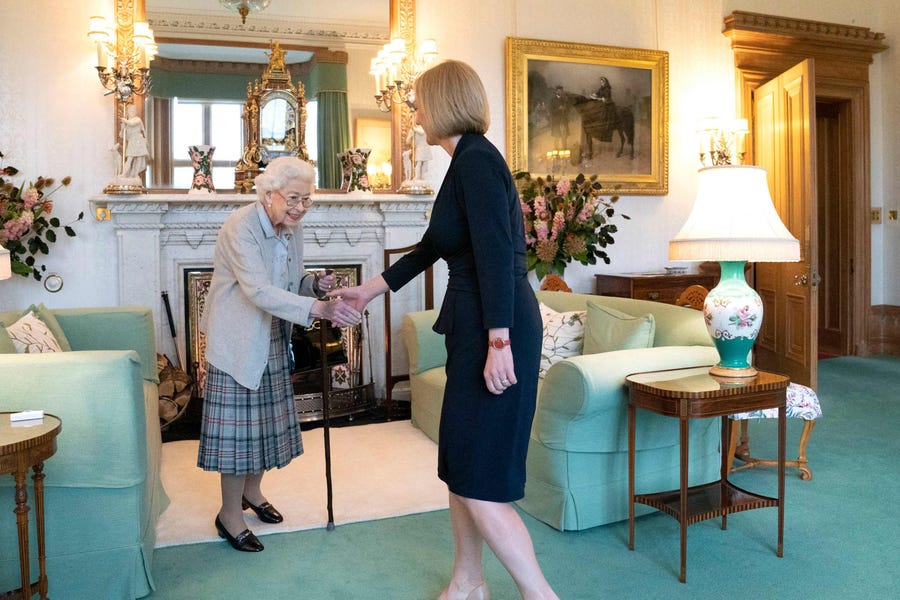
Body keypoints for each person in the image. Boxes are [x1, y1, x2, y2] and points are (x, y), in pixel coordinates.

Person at [330, 60, 558, 600]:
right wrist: (369, 290)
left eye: (419, 101)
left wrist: (498, 342)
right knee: (461, 465)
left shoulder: (477, 161)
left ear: (444, 102)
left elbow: (498, 256)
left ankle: (540, 595)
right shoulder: (463, 164)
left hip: (493, 327)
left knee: (480, 478)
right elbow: (435, 246)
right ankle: (468, 582)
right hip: (474, 326)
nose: (414, 111)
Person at [197, 156, 362, 553]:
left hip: (271, 334)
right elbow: (257, 290)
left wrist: (312, 284)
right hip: (238, 338)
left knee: (264, 428)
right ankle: (228, 516)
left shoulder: (291, 228)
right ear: (268, 193)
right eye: (293, 198)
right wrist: (319, 309)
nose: (300, 207)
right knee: (238, 437)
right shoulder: (241, 227)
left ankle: (252, 493)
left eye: (307, 200)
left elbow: (288, 281)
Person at [121, 103, 151, 179]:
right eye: (130, 110)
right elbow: (122, 135)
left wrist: (125, 121)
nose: (132, 112)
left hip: (138, 141)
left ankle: (135, 175)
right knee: (129, 159)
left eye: (133, 110)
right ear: (127, 112)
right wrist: (122, 128)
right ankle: (124, 174)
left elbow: (132, 123)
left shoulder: (137, 119)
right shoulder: (127, 123)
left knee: (138, 159)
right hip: (132, 142)